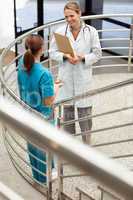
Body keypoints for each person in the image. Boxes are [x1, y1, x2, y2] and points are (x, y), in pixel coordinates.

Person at [50, 1, 102, 144]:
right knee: (68, 119)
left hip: (83, 79)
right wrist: (65, 56)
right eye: (66, 17)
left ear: (79, 13)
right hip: (65, 79)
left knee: (85, 118)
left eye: (71, 16)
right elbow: (52, 53)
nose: (69, 20)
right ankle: (71, 148)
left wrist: (83, 57)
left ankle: (86, 146)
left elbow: (97, 54)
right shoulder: (60, 32)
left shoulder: (91, 31)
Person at [17, 34, 60, 184]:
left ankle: (38, 175)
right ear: (42, 49)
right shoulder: (45, 74)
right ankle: (44, 178)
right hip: (43, 117)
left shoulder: (22, 64)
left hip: (27, 113)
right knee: (44, 146)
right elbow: (48, 102)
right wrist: (55, 87)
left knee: (33, 146)